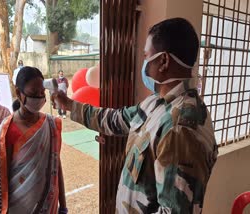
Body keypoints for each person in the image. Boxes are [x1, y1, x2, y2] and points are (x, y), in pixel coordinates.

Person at [52, 18, 218, 213]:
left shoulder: (180, 128)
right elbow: (117, 119)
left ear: (163, 61)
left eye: (147, 56)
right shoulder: (157, 103)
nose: (144, 63)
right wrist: (70, 105)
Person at [0, 66, 67, 214]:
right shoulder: (7, 131)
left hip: (50, 208)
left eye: (41, 92)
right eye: (33, 93)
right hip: (18, 208)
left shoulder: (51, 125)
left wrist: (63, 206)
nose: (39, 98)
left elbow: (56, 166)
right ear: (19, 93)